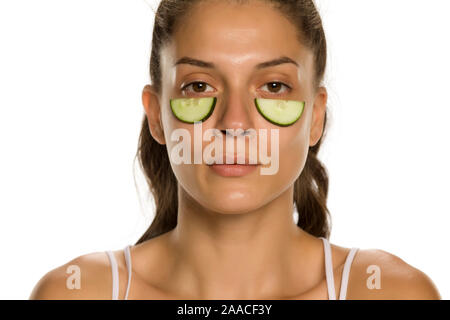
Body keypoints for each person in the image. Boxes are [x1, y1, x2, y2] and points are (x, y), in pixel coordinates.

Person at [29, 0, 441, 300]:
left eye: (274, 86)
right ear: (156, 116)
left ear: (316, 118)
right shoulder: (78, 293)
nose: (235, 124)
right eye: (199, 86)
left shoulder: (388, 292)